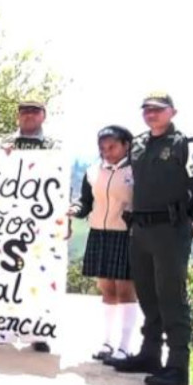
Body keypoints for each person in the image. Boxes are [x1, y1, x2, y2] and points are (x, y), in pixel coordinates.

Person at [109, 93, 193, 385]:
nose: (151, 113)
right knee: (148, 296)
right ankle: (149, 354)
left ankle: (177, 366)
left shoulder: (186, 144)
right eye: (146, 109)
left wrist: (190, 219)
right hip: (142, 231)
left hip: (171, 231)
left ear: (173, 112)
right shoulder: (139, 144)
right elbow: (110, 163)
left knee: (172, 298)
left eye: (158, 109)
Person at [0, 99, 61, 352]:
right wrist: (1, 158)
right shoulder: (2, 142)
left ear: (43, 115)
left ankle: (36, 331)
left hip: (40, 220)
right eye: (23, 111)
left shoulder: (54, 145)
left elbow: (59, 180)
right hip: (5, 218)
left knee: (38, 275)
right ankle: (2, 328)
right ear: (17, 116)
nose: (28, 115)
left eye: (34, 111)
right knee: (3, 272)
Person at [68, 125, 137, 362]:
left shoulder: (138, 170)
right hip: (99, 232)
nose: (107, 152)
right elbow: (86, 201)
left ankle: (125, 347)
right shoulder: (93, 170)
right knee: (107, 289)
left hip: (125, 234)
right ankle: (107, 343)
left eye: (112, 147)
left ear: (126, 145)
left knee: (125, 290)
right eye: (102, 148)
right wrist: (75, 209)